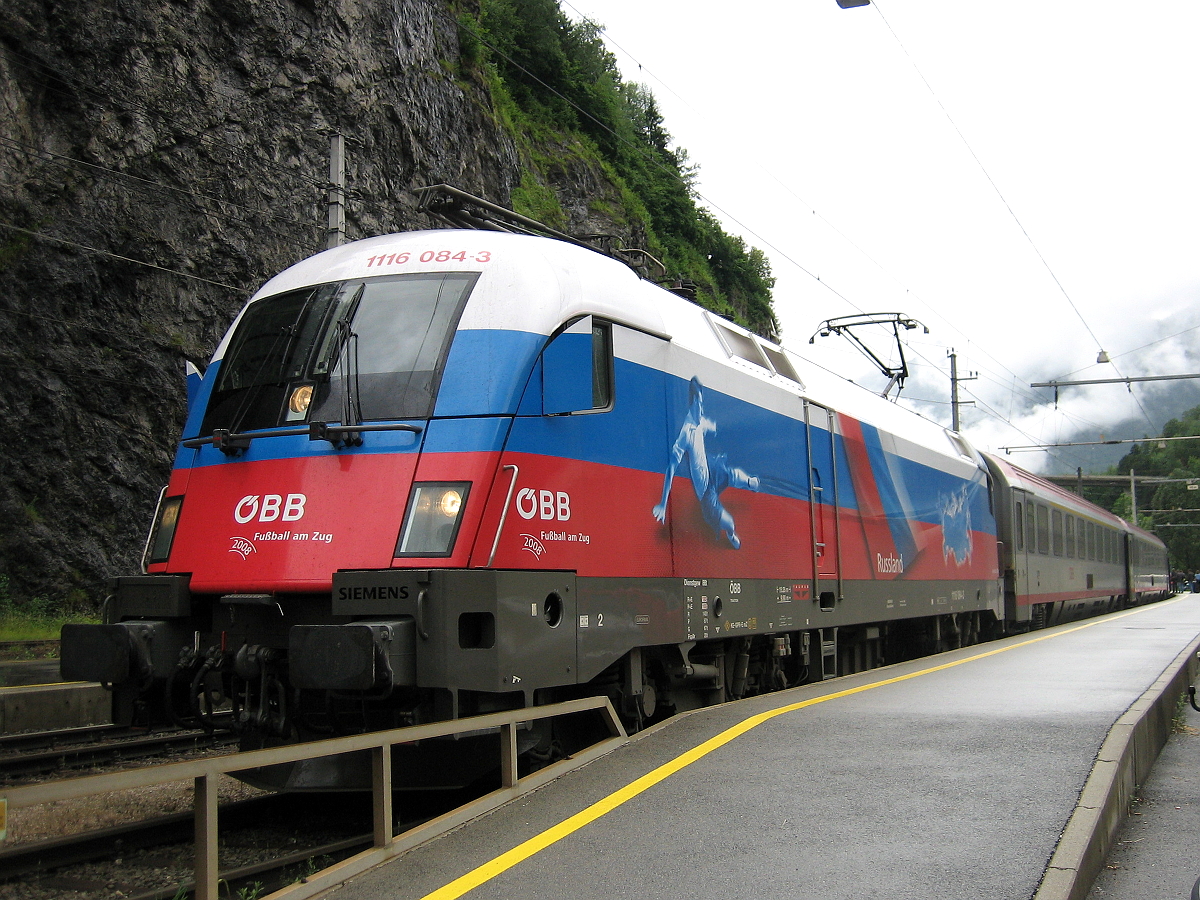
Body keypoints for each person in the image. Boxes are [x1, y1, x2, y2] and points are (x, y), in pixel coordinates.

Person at [653, 377, 759, 548]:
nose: (702, 408)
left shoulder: (701, 421)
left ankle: (747, 482)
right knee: (730, 523)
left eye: (702, 404)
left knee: (737, 476)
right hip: (705, 490)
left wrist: (716, 427)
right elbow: (671, 469)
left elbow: (713, 426)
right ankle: (730, 534)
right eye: (700, 404)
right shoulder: (685, 434)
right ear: (693, 403)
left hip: (713, 468)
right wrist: (663, 504)